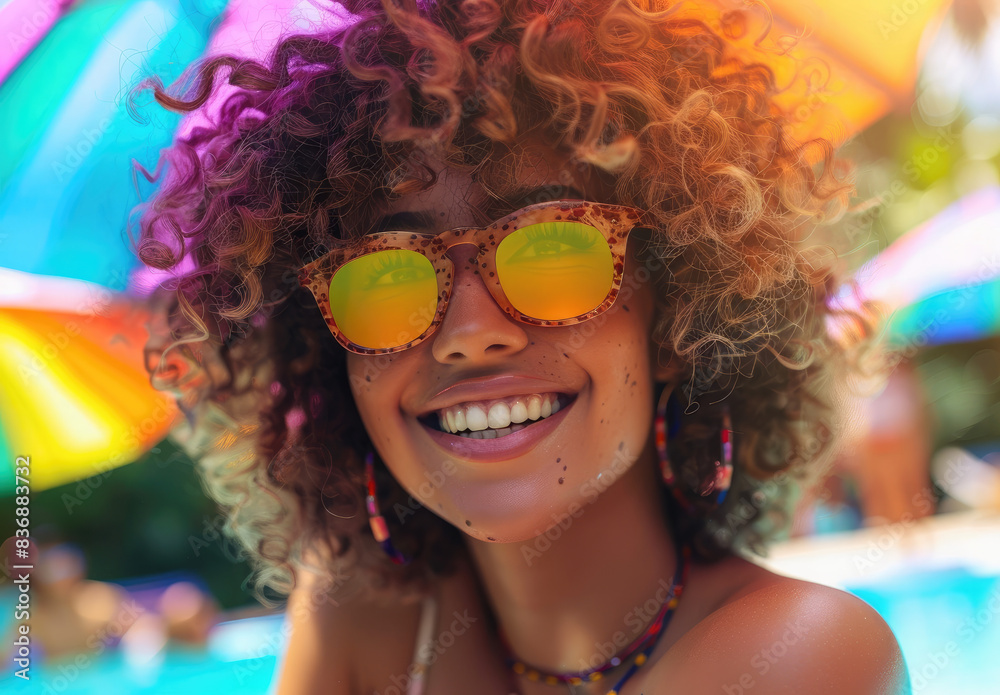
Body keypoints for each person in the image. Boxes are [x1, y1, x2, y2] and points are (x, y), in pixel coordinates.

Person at [132, 0, 910, 692]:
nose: (470, 333)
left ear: (674, 317)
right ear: (333, 356)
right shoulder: (361, 614)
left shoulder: (804, 656)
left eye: (551, 250)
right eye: (384, 276)